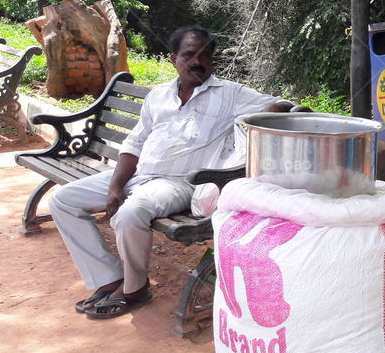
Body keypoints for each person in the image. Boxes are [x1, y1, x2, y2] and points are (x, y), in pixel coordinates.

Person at [49, 27, 293, 319]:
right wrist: (116, 186)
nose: (197, 62)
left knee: (129, 214)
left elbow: (284, 104)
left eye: (204, 56)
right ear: (173, 58)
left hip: (178, 183)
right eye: (189, 55)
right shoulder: (159, 95)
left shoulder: (230, 94)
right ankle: (108, 278)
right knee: (62, 200)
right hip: (140, 176)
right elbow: (135, 142)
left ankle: (135, 289)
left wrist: (256, 119)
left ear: (212, 60)